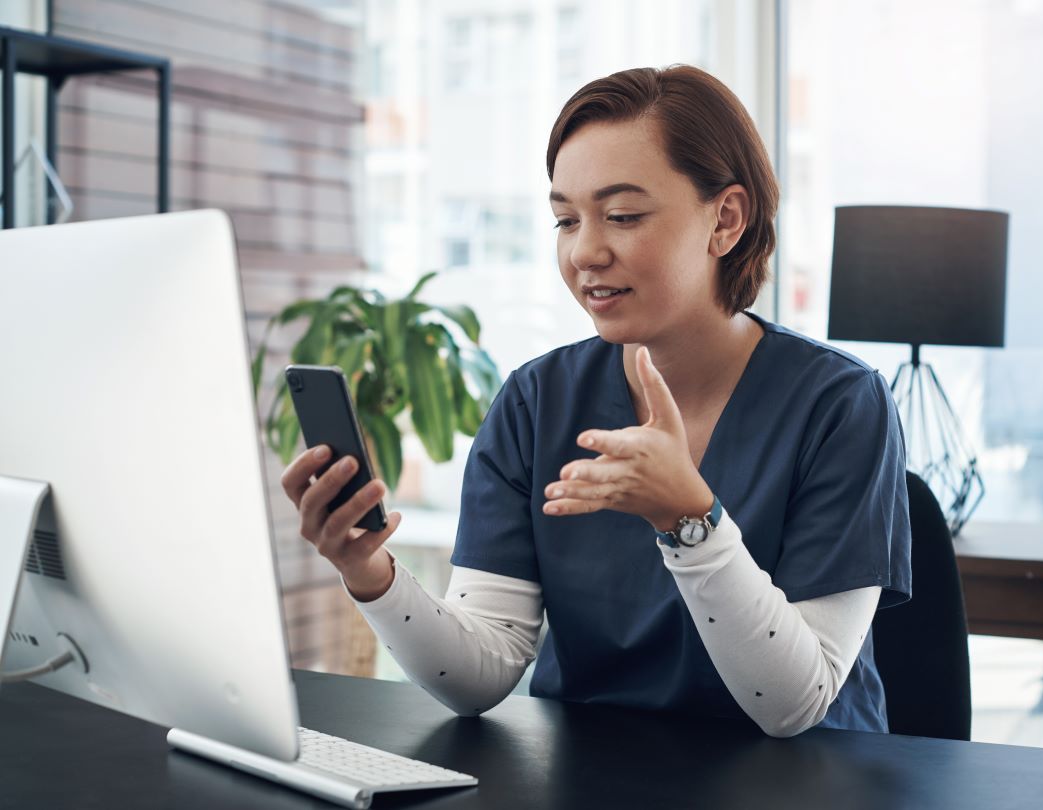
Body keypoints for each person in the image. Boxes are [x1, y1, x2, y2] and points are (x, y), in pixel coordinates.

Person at [280, 65, 911, 738]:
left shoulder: (839, 404)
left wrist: (688, 518)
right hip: (588, 778)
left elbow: (794, 703)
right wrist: (368, 570)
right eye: (564, 220)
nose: (584, 252)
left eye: (622, 216)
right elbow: (481, 671)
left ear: (725, 220)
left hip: (799, 784)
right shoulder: (535, 402)